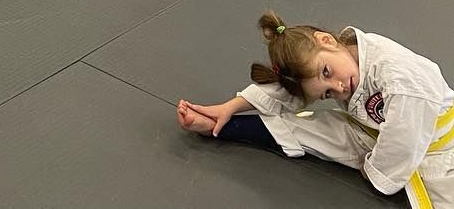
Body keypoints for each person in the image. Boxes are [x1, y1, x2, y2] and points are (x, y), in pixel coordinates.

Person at [175, 11, 453, 206]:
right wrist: (231, 106)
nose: (339, 88)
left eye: (328, 72)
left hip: (440, 143)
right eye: (327, 92)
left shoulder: (402, 78)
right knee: (309, 126)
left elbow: (404, 140)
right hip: (372, 130)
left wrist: (373, 172)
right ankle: (225, 127)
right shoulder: (332, 61)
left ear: (328, 40)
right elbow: (292, 87)